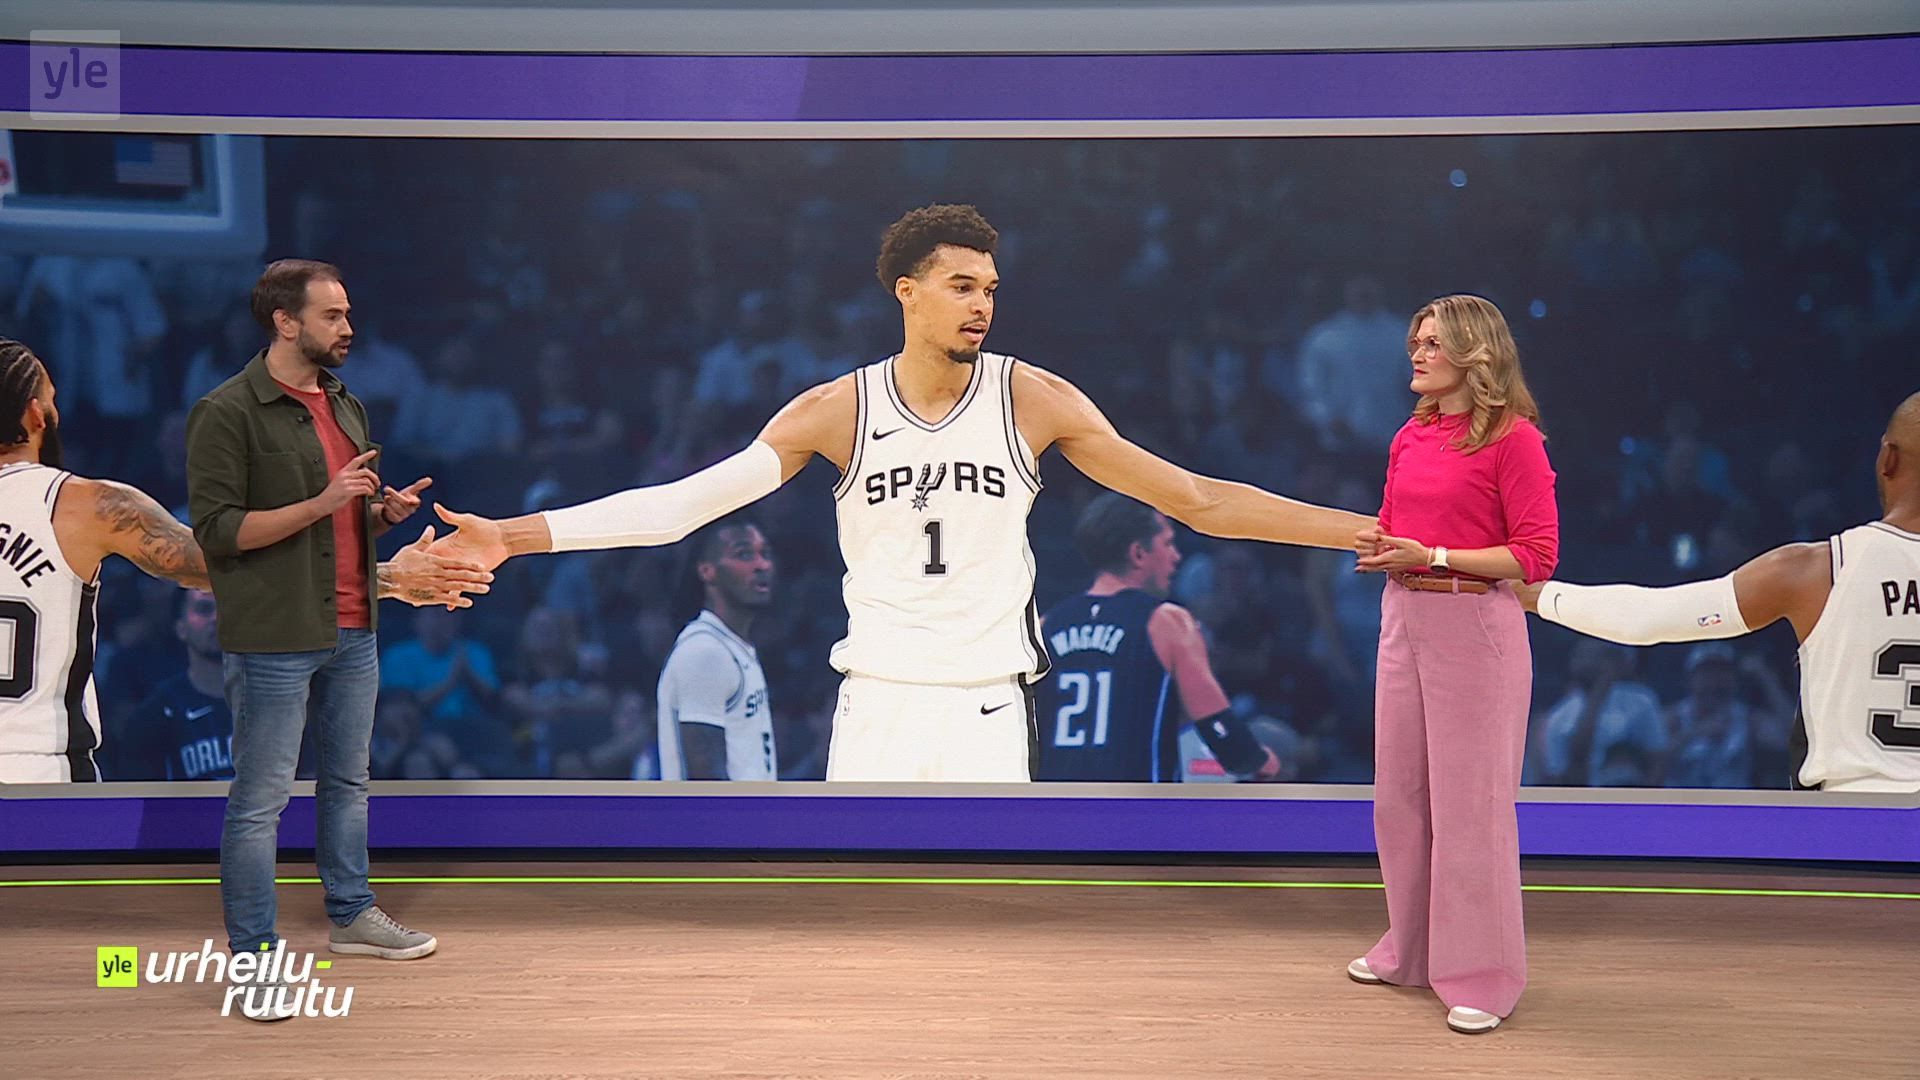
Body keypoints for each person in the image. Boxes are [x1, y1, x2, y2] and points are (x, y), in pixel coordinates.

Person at [429, 204, 1375, 782]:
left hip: (988, 704)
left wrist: (1365, 530)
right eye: (961, 286)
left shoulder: (1032, 398)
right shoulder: (836, 410)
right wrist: (511, 534)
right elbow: (682, 507)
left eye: (990, 288)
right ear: (906, 292)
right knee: (863, 944)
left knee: (983, 941)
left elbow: (1199, 499)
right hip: (875, 702)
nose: (982, 304)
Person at [184, 261, 485, 1010]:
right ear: (284, 322)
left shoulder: (346, 404)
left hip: (354, 624)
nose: (347, 328)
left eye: (346, 313)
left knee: (349, 783)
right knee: (261, 800)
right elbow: (218, 533)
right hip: (274, 633)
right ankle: (254, 960)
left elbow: (339, 520)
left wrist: (377, 515)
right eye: (331, 315)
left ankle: (351, 915)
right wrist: (325, 502)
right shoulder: (227, 411)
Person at [0, 338, 483, 786]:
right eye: (53, 400)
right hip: (39, 776)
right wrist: (390, 578)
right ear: (36, 414)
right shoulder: (85, 506)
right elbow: (236, 573)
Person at [1517, 392, 1920, 794]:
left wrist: (1536, 596)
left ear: (1888, 458)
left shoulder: (1817, 569)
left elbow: (1648, 617)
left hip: (1851, 816)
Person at [1346, 295, 1559, 1035]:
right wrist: (1382, 548)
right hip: (1402, 617)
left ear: (1476, 353)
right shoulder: (1411, 435)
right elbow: (1395, 524)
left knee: (1472, 808)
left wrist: (1433, 555)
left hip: (1474, 624)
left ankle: (1484, 977)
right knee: (1400, 796)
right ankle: (1410, 950)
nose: (1418, 352)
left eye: (1434, 342)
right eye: (1417, 340)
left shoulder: (1515, 440)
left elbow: (1535, 556)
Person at [1034, 493, 1279, 783]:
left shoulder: (1046, 625)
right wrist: (1262, 761)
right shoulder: (1167, 622)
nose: (1176, 557)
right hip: (1136, 803)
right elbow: (1220, 731)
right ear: (1138, 553)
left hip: (1054, 802)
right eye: (1168, 543)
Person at [656, 515, 777, 781]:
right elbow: (706, 783)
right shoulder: (705, 652)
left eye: (765, 554)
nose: (762, 564)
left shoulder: (732, 646)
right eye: (744, 554)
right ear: (707, 571)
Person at [110, 589, 238, 781]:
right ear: (181, 628)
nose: (216, 618)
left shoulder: (272, 705)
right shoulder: (154, 714)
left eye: (226, 609)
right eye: (204, 609)